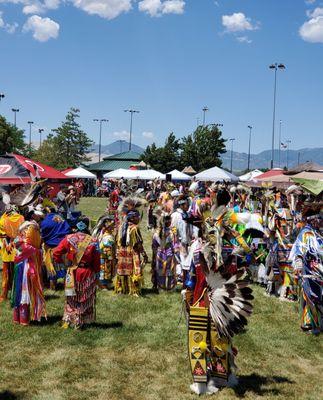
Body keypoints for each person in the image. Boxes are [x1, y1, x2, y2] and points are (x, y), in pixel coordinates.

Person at [53, 217, 100, 329]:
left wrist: (64, 265)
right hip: (87, 273)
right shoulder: (93, 241)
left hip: (72, 273)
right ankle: (82, 319)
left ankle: (70, 319)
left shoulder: (68, 238)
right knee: (84, 296)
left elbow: (56, 253)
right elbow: (97, 261)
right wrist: (96, 273)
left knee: (72, 297)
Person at [289, 204, 323, 335]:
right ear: (313, 219)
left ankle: (317, 323)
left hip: (317, 271)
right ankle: (308, 324)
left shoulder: (316, 233)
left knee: (318, 297)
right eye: (319, 218)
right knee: (310, 297)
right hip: (309, 271)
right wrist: (298, 264)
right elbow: (299, 250)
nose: (321, 221)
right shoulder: (306, 233)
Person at [11, 220, 46, 325]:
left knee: (19, 292)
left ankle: (18, 318)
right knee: (23, 294)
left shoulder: (19, 240)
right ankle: (23, 319)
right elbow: (37, 252)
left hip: (20, 268)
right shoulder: (28, 247)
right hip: (25, 269)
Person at [115, 197, 148, 296]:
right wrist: (144, 254)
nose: (139, 219)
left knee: (123, 270)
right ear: (132, 218)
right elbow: (138, 244)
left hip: (122, 253)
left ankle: (122, 289)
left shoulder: (121, 226)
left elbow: (118, 241)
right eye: (138, 217)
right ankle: (133, 290)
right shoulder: (134, 228)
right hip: (132, 253)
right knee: (134, 270)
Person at [40, 207, 71, 289]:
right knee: (65, 268)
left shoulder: (45, 221)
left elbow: (43, 235)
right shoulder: (61, 219)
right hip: (63, 247)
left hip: (51, 248)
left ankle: (52, 287)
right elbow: (68, 229)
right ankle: (66, 286)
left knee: (51, 268)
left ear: (47, 212)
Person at [0, 207, 25, 301]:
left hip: (7, 249)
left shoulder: (3, 219)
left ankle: (4, 295)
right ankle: (18, 295)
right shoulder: (21, 218)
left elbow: (2, 235)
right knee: (18, 272)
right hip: (17, 249)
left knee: (6, 273)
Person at [151, 211, 178, 291]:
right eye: (169, 220)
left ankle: (161, 286)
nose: (170, 221)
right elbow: (175, 244)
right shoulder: (171, 232)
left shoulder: (156, 232)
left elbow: (154, 245)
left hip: (160, 253)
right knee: (169, 270)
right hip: (168, 252)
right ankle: (169, 286)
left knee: (160, 270)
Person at [93, 214, 117, 290]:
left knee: (106, 270)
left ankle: (107, 282)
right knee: (105, 271)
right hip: (105, 257)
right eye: (112, 226)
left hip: (104, 256)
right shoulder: (107, 237)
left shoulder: (106, 235)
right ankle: (103, 284)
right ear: (108, 227)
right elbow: (107, 249)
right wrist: (111, 257)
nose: (114, 227)